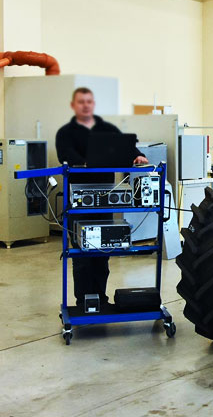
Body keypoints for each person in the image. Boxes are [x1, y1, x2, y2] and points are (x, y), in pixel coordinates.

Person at [56, 87, 148, 307]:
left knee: (102, 250)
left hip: (105, 197)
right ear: (73, 105)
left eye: (89, 101)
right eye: (81, 102)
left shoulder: (107, 129)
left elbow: (126, 148)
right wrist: (87, 163)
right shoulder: (66, 133)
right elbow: (65, 154)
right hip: (80, 201)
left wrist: (137, 155)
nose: (85, 105)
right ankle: (84, 302)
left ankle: (101, 299)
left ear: (93, 104)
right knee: (82, 252)